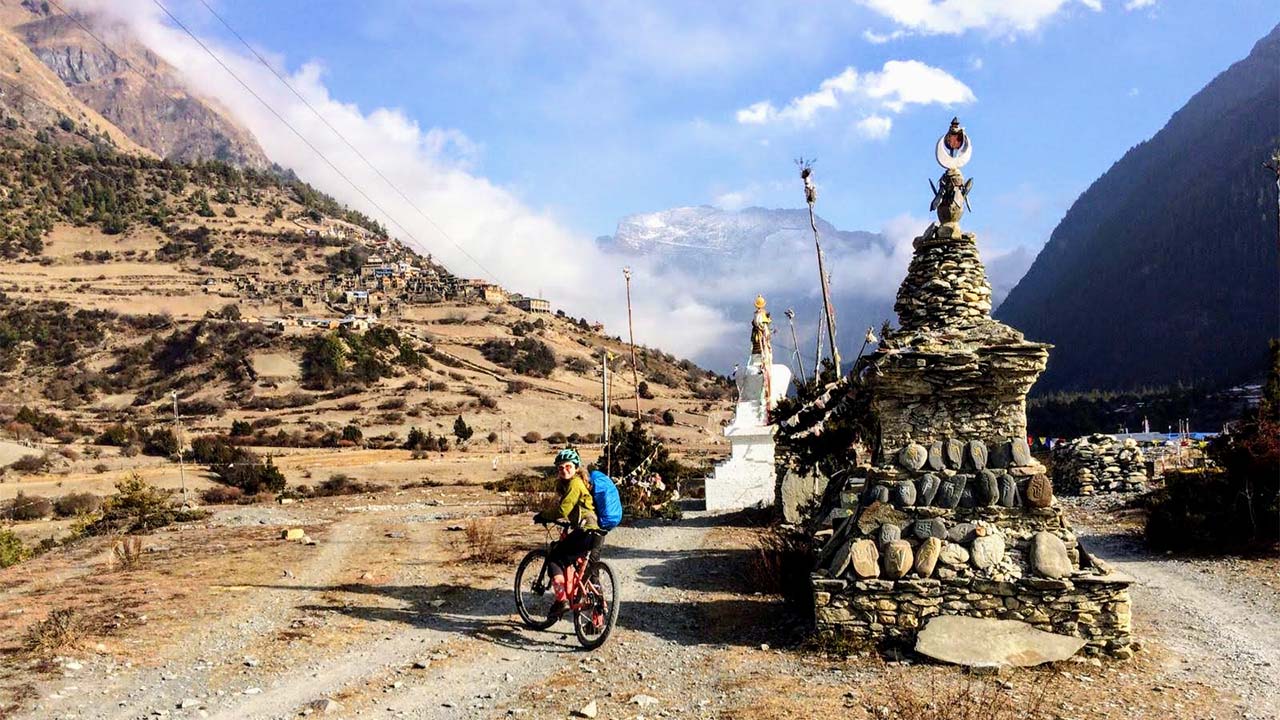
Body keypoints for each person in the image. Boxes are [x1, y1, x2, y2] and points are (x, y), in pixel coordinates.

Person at [533, 448, 603, 619]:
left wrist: (543, 515)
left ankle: (561, 600)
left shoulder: (575, 484)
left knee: (555, 557)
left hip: (585, 531)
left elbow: (563, 509)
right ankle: (596, 621)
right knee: (588, 572)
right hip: (595, 532)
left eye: (568, 467)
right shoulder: (579, 483)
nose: (564, 470)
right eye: (561, 468)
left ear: (576, 467)